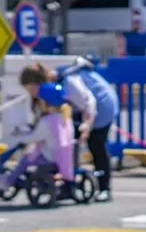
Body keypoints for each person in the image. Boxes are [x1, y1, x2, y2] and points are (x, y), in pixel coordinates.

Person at [20, 58, 118, 202]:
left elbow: (89, 102)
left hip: (102, 104)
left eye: (31, 89)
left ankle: (104, 189)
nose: (32, 94)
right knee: (69, 142)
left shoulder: (68, 82)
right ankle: (67, 186)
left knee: (96, 145)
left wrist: (87, 125)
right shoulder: (51, 90)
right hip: (84, 109)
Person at [0, 82, 75, 199]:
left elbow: (34, 137)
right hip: (63, 156)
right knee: (30, 156)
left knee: (24, 161)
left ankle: (7, 182)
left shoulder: (47, 121)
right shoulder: (66, 119)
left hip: (49, 157)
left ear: (46, 102)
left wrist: (20, 136)